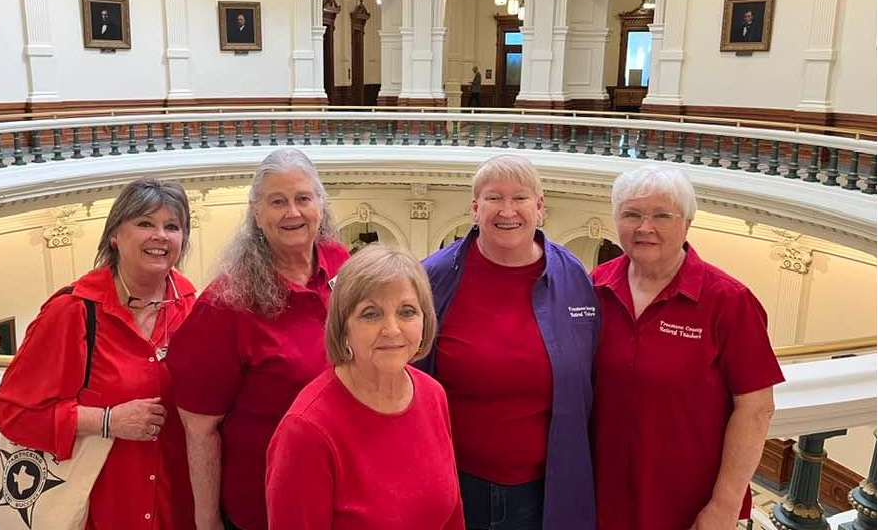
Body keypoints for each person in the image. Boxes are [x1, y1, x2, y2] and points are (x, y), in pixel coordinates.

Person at [0, 179, 198, 530]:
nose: (160, 235)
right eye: (145, 223)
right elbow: (13, 413)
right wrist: (106, 421)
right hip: (100, 509)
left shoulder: (193, 307)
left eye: (172, 226)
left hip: (176, 507)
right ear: (115, 235)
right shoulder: (73, 311)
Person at [590, 165, 783, 530]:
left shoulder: (729, 301)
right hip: (603, 494)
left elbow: (756, 410)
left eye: (661, 215)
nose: (645, 227)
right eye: (632, 214)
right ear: (616, 220)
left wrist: (723, 507)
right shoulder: (595, 287)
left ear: (687, 223)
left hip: (686, 503)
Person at [168, 148, 349, 530]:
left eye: (303, 198)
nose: (293, 213)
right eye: (277, 202)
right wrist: (207, 519)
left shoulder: (339, 261)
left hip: (341, 489)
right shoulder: (227, 302)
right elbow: (199, 428)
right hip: (264, 501)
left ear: (321, 203)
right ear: (256, 213)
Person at [418, 154, 601, 530]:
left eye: (520, 198)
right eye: (493, 198)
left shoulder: (572, 277)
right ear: (474, 208)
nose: (507, 210)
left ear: (539, 206)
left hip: (543, 488)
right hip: (450, 479)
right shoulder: (434, 276)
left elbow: (591, 371)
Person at [266, 244, 464, 530]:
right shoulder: (305, 431)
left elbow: (451, 515)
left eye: (407, 311)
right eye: (371, 314)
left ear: (425, 320)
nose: (392, 329)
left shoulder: (433, 394)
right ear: (343, 327)